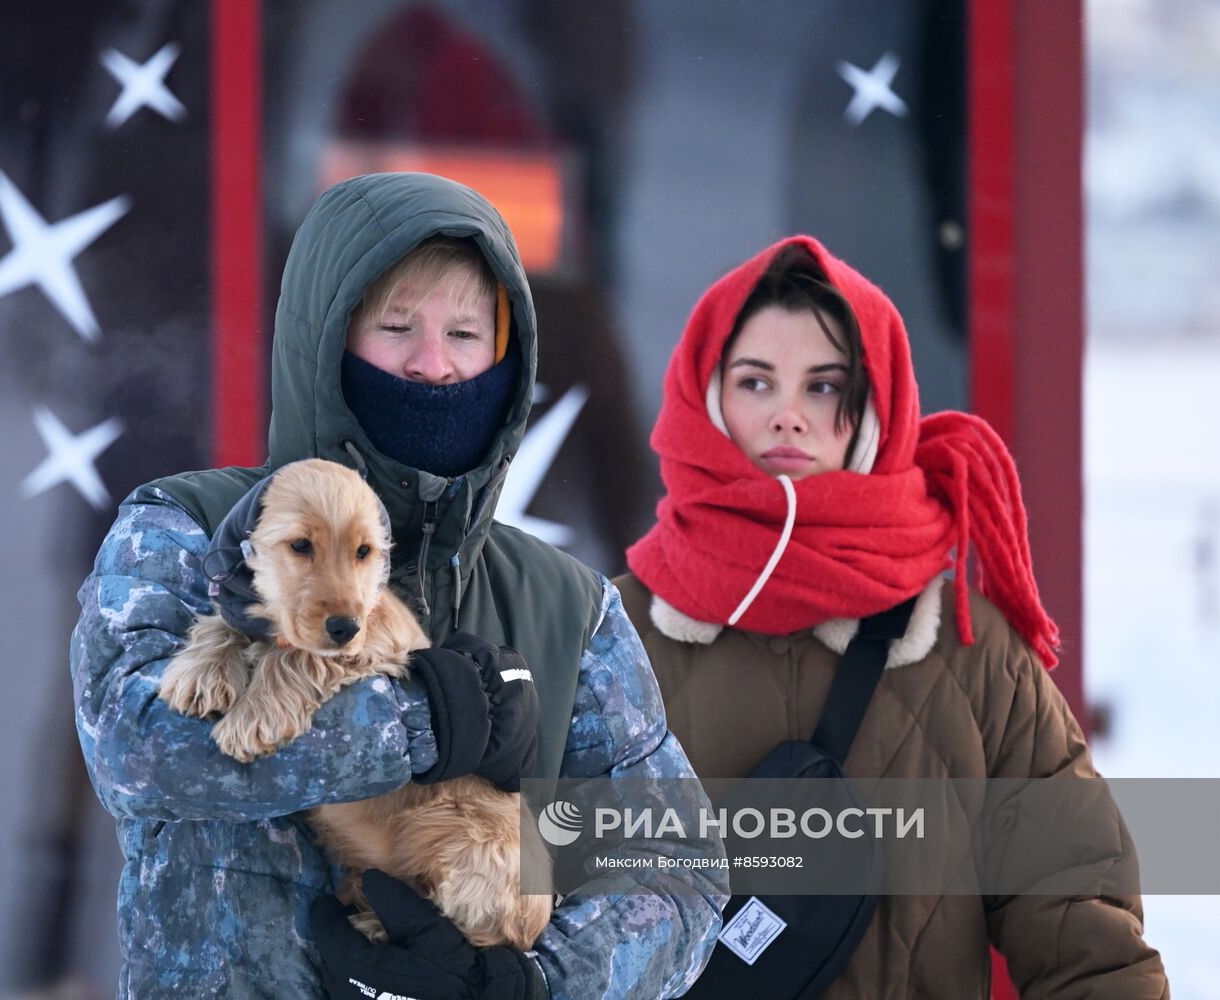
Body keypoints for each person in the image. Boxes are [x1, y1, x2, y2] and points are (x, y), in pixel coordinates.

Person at [70, 171, 725, 999]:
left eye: (465, 333)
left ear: (507, 356)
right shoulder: (193, 530)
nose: (434, 365)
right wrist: (416, 723)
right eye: (396, 327)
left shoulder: (570, 606)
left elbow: (678, 871)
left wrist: (526, 986)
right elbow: (135, 751)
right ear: (326, 340)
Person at [614, 236, 1169, 997]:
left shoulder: (971, 652)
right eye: (755, 382)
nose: (787, 416)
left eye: (823, 387)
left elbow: (1087, 941)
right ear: (704, 399)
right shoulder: (613, 638)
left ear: (875, 410)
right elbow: (538, 925)